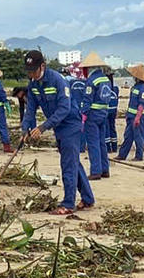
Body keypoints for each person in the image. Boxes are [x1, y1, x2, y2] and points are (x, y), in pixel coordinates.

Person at [21, 50, 95, 215]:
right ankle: (88, 199)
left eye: (34, 70)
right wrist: (25, 128)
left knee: (68, 164)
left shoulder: (58, 80)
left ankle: (68, 204)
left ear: (42, 66)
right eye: (29, 71)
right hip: (58, 127)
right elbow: (30, 110)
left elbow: (64, 109)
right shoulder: (33, 85)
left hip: (71, 124)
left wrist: (42, 127)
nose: (31, 74)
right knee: (73, 161)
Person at [79, 52, 112, 180]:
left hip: (92, 115)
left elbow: (87, 99)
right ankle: (105, 169)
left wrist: (83, 115)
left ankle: (95, 171)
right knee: (102, 142)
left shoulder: (91, 81)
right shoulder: (106, 80)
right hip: (104, 114)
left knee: (93, 143)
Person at [116, 64, 144, 161]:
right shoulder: (136, 87)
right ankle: (122, 155)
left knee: (138, 137)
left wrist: (137, 117)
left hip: (137, 117)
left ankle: (139, 156)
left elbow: (143, 103)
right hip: (131, 116)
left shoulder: (143, 88)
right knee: (128, 136)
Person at [106, 73, 119, 153]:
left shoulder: (105, 87)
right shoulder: (116, 88)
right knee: (112, 128)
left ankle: (107, 148)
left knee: (106, 129)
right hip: (113, 110)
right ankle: (114, 147)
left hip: (106, 110)